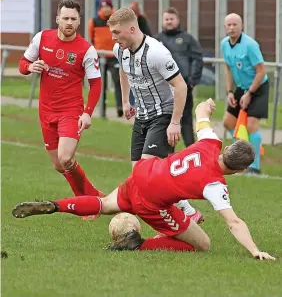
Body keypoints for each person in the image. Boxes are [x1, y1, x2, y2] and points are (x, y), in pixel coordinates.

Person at [12, 98, 275, 261]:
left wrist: (206, 105)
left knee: (104, 205)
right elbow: (234, 222)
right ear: (239, 170)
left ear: (226, 148)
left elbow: (200, 114)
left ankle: (56, 205)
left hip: (142, 174)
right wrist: (254, 250)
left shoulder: (211, 141)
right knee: (202, 244)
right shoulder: (215, 185)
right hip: (152, 200)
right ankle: (138, 245)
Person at [109, 7, 202, 222]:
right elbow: (123, 71)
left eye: (116, 32)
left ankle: (177, 218)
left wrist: (175, 123)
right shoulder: (120, 49)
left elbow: (181, 87)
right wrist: (125, 100)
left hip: (163, 115)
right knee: (139, 176)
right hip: (142, 116)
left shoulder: (156, 52)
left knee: (146, 173)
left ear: (131, 29)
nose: (113, 37)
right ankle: (187, 209)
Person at [18, 0, 104, 203]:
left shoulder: (86, 49)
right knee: (59, 165)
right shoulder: (42, 38)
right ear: (57, 19)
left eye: (73, 19)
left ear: (79, 22)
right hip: (46, 110)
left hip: (71, 111)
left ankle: (86, 202)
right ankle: (93, 195)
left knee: (66, 158)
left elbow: (96, 84)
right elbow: (23, 63)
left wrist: (87, 112)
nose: (69, 22)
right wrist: (30, 68)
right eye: (65, 18)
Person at [221, 13, 269, 175]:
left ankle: (254, 168)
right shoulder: (224, 44)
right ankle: (244, 155)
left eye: (235, 24)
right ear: (225, 27)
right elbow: (227, 68)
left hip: (258, 88)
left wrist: (249, 94)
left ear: (242, 27)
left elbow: (261, 71)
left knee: (251, 125)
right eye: (229, 25)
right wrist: (229, 91)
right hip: (241, 89)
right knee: (228, 122)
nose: (232, 27)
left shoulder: (250, 45)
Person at [155, 7, 203, 147]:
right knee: (165, 121)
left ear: (177, 20)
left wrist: (192, 81)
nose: (169, 22)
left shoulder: (187, 39)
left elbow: (197, 59)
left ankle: (191, 152)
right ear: (163, 21)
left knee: (186, 121)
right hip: (163, 90)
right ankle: (168, 155)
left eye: (171, 19)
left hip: (183, 87)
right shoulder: (156, 40)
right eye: (166, 19)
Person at [88, 0, 123, 118]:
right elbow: (91, 36)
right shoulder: (94, 21)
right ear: (100, 8)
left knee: (118, 81)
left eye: (107, 6)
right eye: (103, 7)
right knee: (101, 84)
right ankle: (102, 108)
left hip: (114, 55)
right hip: (100, 56)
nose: (106, 9)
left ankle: (120, 106)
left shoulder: (117, 20)